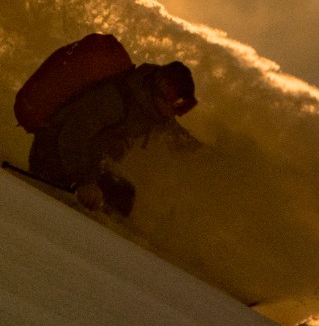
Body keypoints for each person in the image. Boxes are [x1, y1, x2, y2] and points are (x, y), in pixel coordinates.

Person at [28, 59, 198, 217]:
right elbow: (72, 135)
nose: (176, 112)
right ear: (161, 87)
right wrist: (84, 181)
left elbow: (179, 139)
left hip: (85, 165)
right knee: (119, 198)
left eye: (184, 107)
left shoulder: (155, 111)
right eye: (176, 102)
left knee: (123, 196)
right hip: (51, 156)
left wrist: (209, 160)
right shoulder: (115, 99)